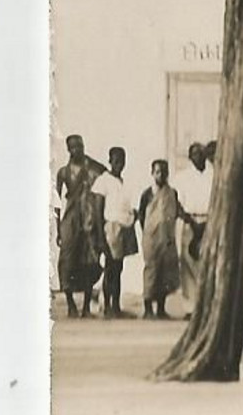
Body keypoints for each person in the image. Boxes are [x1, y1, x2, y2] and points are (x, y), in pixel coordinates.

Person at [54, 135, 104, 318]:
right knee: (66, 259)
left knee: (89, 259)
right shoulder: (63, 172)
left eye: (80, 146)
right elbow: (56, 202)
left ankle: (86, 308)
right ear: (69, 150)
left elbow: (105, 174)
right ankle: (70, 304)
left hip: (88, 216)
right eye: (73, 147)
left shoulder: (91, 167)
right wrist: (58, 228)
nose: (77, 150)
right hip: (71, 217)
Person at [91, 147, 137, 318]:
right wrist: (101, 237)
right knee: (110, 268)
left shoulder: (123, 182)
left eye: (122, 160)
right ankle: (108, 305)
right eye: (116, 160)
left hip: (124, 228)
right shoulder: (103, 181)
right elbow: (98, 210)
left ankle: (116, 306)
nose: (119, 164)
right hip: (110, 228)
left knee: (118, 268)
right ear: (110, 161)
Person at [171, 142, 213, 315]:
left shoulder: (214, 175)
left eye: (201, 152)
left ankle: (207, 305)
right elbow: (176, 203)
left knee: (208, 263)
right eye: (194, 153)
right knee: (187, 263)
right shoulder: (181, 177)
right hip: (189, 222)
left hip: (210, 221)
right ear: (189, 157)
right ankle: (191, 307)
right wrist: (192, 223)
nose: (198, 156)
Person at [136, 159, 180, 319]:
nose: (161, 176)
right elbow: (141, 215)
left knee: (165, 272)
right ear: (152, 174)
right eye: (157, 172)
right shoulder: (147, 194)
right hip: (151, 238)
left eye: (164, 172)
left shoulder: (172, 192)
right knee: (151, 271)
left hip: (167, 237)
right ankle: (148, 309)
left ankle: (161, 309)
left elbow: (176, 211)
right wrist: (149, 233)